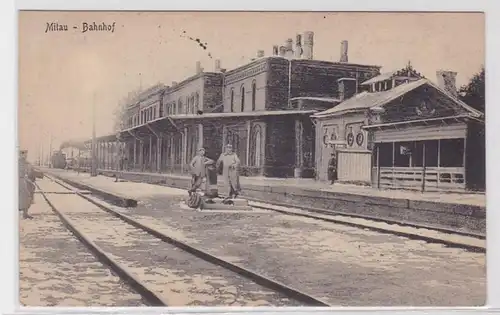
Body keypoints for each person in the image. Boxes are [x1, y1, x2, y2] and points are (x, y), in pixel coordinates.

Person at [19, 150, 35, 219]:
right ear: (20, 154)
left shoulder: (27, 163)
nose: (25, 155)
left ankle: (25, 213)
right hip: (19, 180)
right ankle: (24, 213)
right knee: (26, 195)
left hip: (23, 180)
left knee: (32, 188)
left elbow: (29, 172)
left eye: (26, 154)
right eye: (24, 154)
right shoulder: (18, 162)